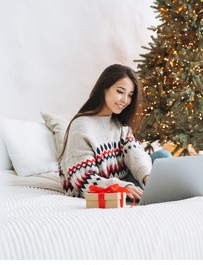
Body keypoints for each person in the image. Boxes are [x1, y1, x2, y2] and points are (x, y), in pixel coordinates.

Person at [58, 64, 171, 200]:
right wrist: (122, 187)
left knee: (163, 156)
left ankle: (162, 191)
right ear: (104, 88)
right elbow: (84, 180)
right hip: (100, 187)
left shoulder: (120, 124)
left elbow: (136, 155)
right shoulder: (81, 126)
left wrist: (148, 178)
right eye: (120, 91)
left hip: (124, 182)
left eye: (130, 95)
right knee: (163, 177)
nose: (125, 100)